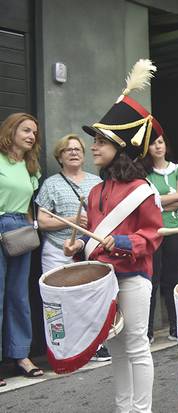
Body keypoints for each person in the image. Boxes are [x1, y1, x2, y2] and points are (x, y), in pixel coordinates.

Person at [64, 59, 163, 412]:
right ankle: (124, 408)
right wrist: (77, 249)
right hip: (104, 280)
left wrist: (122, 243)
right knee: (117, 348)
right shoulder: (94, 192)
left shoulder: (143, 190)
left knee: (136, 346)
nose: (93, 147)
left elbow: (153, 237)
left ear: (121, 147)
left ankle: (142, 409)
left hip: (134, 277)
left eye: (101, 141)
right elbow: (91, 238)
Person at [36, 134, 107, 361]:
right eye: (68, 150)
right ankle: (64, 351)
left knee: (89, 298)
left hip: (86, 250)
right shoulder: (51, 184)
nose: (74, 153)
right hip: (57, 251)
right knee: (59, 302)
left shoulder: (96, 182)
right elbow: (43, 221)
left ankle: (94, 347)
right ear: (60, 156)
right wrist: (71, 220)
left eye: (78, 149)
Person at [0, 112, 44, 384]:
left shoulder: (31, 167)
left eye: (34, 133)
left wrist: (31, 228)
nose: (31, 136)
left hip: (21, 229)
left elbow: (28, 205)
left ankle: (21, 355)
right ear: (11, 131)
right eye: (26, 130)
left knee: (19, 295)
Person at [141, 134, 178, 343]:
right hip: (153, 232)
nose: (158, 146)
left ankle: (175, 328)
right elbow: (146, 202)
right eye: (153, 143)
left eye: (161, 141)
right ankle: (148, 332)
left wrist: (160, 201)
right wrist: (174, 198)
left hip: (175, 231)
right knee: (151, 282)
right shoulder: (143, 173)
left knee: (172, 280)